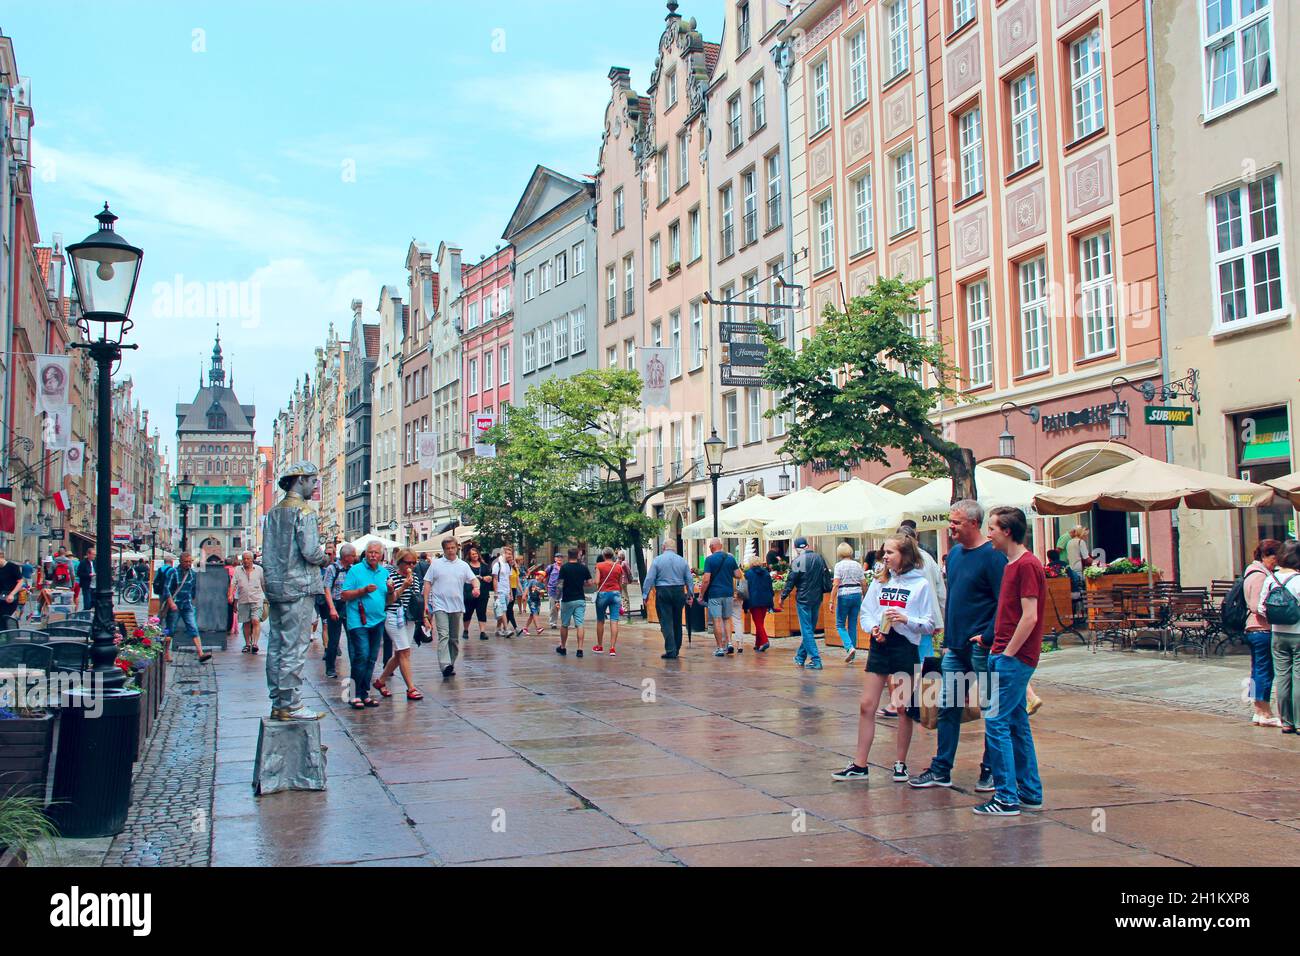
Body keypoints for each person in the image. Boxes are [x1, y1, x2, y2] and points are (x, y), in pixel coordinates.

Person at [908, 500, 1006, 793]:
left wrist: (988, 636)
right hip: (956, 647)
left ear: (974, 524)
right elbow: (953, 599)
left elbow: (1004, 602)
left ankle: (991, 769)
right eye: (950, 521)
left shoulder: (993, 556)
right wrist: (949, 641)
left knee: (991, 709)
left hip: (980, 647)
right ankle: (941, 768)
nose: (950, 527)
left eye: (956, 522)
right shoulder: (955, 556)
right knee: (947, 705)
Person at [832, 534, 938, 782]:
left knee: (903, 708)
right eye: (885, 553)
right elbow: (867, 613)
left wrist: (906, 619)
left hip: (904, 647)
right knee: (867, 704)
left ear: (905, 555)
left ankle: (900, 763)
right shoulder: (880, 582)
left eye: (890, 552)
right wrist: (873, 629)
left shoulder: (920, 584)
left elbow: (929, 623)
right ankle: (860, 764)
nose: (885, 557)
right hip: (880, 645)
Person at [974, 506, 1045, 816]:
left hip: (1012, 659)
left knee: (997, 722)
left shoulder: (1026, 565)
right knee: (1016, 724)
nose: (988, 533)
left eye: (992, 528)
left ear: (1007, 531)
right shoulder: (1012, 565)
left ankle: (1006, 797)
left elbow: (1030, 617)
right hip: (1004, 655)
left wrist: (1007, 653)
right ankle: (1029, 791)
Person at [261, 460, 331, 720]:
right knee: (295, 646)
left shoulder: (273, 512)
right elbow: (310, 551)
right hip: (300, 586)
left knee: (277, 645)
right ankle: (291, 703)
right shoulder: (304, 512)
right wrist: (325, 558)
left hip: (277, 587)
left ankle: (278, 701)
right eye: (313, 481)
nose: (315, 487)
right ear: (299, 480)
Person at [340, 542, 390, 710]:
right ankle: (353, 694)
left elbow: (389, 600)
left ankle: (364, 693)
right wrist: (363, 591)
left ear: (381, 555)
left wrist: (391, 591)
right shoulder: (355, 570)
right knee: (361, 655)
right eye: (370, 552)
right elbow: (344, 595)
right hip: (358, 620)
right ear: (365, 554)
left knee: (371, 658)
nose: (373, 555)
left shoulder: (384, 573)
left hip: (378, 620)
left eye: (376, 553)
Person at [1259, 539, 1300, 736]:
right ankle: (1299, 721)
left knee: (1283, 677)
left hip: (1277, 633)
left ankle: (1287, 722)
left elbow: (1261, 608)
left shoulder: (1270, 579)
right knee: (1299, 678)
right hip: (1298, 633)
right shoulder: (1299, 580)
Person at [422, 537, 479, 678]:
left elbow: (474, 579)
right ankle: (445, 664)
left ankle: (450, 664)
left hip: (456, 605)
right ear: (444, 550)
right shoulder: (436, 564)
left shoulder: (463, 565)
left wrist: (476, 587)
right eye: (448, 548)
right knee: (443, 635)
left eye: (453, 548)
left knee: (454, 638)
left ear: (457, 548)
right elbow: (427, 583)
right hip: (439, 604)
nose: (451, 551)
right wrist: (425, 604)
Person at [1242, 539, 1282, 727]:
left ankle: (1259, 710)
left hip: (1255, 629)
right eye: (1276, 557)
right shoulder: (1259, 575)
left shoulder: (1253, 572)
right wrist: (1277, 614)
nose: (1278, 561)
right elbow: (1256, 605)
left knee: (1258, 670)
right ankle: (1264, 712)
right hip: (1261, 629)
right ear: (1266, 556)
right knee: (1264, 671)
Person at [374, 549, 423, 701]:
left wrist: (424, 617)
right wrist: (403, 587)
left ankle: (380, 681)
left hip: (409, 617)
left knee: (399, 654)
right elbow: (389, 600)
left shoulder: (414, 576)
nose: (411, 566)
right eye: (408, 563)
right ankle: (411, 688)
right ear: (400, 562)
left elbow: (416, 599)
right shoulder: (391, 577)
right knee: (404, 652)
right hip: (393, 616)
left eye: (414, 563)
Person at [776, 536, 828, 670]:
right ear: (808, 545)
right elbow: (826, 576)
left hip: (803, 598)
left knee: (807, 631)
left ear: (795, 548)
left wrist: (782, 597)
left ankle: (816, 660)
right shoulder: (819, 558)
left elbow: (790, 581)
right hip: (817, 598)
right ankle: (800, 657)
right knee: (809, 629)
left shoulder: (798, 560)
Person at [644, 541, 693, 659]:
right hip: (678, 591)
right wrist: (690, 594)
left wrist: (645, 594)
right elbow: (689, 578)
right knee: (677, 620)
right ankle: (677, 647)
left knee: (666, 621)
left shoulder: (657, 560)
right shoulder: (682, 560)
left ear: (663, 547)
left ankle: (671, 649)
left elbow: (650, 578)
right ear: (675, 548)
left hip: (663, 591)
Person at [163, 552, 212, 664]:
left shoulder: (192, 574)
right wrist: (171, 603)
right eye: (186, 562)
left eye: (190, 561)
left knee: (193, 627)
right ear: (180, 562)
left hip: (187, 605)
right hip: (175, 605)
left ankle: (200, 653)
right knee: (170, 629)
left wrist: (192, 600)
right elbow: (167, 589)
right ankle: (166, 653)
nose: (189, 564)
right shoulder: (173, 572)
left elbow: (193, 589)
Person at [698, 538, 741, 657]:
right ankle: (730, 643)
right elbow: (738, 575)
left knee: (717, 619)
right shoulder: (730, 558)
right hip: (728, 593)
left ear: (711, 547)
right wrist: (727, 573)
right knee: (727, 619)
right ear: (721, 546)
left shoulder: (709, 560)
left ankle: (720, 648)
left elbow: (706, 580)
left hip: (715, 594)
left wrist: (701, 595)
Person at [321, 543, 355, 679]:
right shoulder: (332, 568)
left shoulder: (352, 569)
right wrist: (332, 608)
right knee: (334, 639)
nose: (354, 557)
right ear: (346, 557)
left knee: (352, 638)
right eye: (353, 555)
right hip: (336, 605)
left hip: (349, 606)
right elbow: (327, 589)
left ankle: (355, 667)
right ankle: (330, 668)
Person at [831, 542, 865, 664]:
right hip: (857, 594)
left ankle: (849, 647)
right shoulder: (857, 565)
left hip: (844, 594)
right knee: (852, 624)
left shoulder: (839, 566)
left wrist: (831, 600)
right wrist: (865, 596)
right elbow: (863, 582)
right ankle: (852, 655)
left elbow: (836, 584)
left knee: (840, 624)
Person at [556, 548, 592, 657]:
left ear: (568, 556)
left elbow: (560, 585)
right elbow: (590, 583)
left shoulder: (564, 568)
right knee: (580, 624)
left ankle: (563, 647)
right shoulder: (583, 568)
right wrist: (581, 584)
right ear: (577, 556)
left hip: (567, 599)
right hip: (580, 599)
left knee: (564, 624)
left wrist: (557, 599)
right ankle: (580, 649)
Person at [593, 547, 628, 656]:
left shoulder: (599, 566)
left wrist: (594, 582)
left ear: (603, 556)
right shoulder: (618, 567)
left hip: (603, 594)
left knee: (600, 620)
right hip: (616, 594)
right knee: (614, 621)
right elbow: (619, 583)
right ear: (612, 555)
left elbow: (597, 581)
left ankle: (599, 646)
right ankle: (612, 648)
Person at [232, 550, 266, 654]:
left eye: (248, 559)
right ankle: (247, 644)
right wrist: (232, 597)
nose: (246, 561)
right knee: (246, 622)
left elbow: (263, 584)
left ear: (252, 560)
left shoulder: (259, 570)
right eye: (244, 559)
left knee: (255, 620)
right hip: (243, 599)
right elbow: (234, 584)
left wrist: (267, 597)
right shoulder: (238, 570)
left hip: (257, 599)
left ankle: (255, 644)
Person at [743, 555, 773, 652]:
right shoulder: (766, 573)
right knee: (760, 622)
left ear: (750, 563)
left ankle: (765, 641)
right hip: (765, 600)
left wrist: (745, 605)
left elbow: (744, 590)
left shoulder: (747, 574)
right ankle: (758, 643)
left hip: (754, 601)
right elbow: (770, 588)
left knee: (758, 622)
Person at [462, 544, 492, 641]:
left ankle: (482, 632)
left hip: (483, 592)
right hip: (469, 592)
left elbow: (490, 577)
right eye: (472, 554)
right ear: (469, 556)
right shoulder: (466, 566)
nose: (475, 556)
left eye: (476, 554)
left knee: (481, 612)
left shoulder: (484, 566)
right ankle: (466, 630)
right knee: (468, 612)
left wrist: (485, 578)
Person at [492, 545, 517, 638]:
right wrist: (496, 593)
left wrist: (510, 593)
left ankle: (498, 629)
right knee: (503, 610)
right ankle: (506, 629)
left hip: (506, 591)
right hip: (500, 591)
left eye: (511, 554)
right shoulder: (497, 564)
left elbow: (508, 579)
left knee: (501, 611)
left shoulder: (508, 565)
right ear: (503, 553)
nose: (510, 555)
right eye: (509, 554)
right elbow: (494, 579)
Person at [0, 551, 25, 622]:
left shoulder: (13, 567)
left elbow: (20, 581)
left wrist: (12, 594)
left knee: (5, 618)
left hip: (9, 597)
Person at [524, 570, 546, 635]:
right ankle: (538, 628)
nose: (541, 577)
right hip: (531, 600)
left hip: (537, 601)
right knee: (534, 613)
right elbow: (527, 588)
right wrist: (524, 595)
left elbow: (541, 595)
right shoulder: (532, 581)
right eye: (540, 575)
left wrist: (541, 593)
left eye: (542, 576)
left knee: (532, 615)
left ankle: (525, 628)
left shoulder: (542, 585)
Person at [546, 553, 563, 630]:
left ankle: (563, 622)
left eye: (561, 557)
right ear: (555, 559)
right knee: (553, 607)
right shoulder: (551, 567)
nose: (559, 558)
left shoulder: (564, 567)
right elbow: (544, 575)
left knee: (561, 607)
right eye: (557, 557)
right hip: (552, 590)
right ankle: (553, 623)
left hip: (562, 590)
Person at [76, 546, 95, 611]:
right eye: (93, 554)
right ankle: (86, 613)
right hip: (86, 584)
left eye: (94, 554)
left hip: (94, 584)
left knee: (93, 601)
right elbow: (79, 573)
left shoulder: (94, 562)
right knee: (87, 601)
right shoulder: (83, 563)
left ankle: (87, 612)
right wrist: (88, 575)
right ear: (88, 554)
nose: (94, 556)